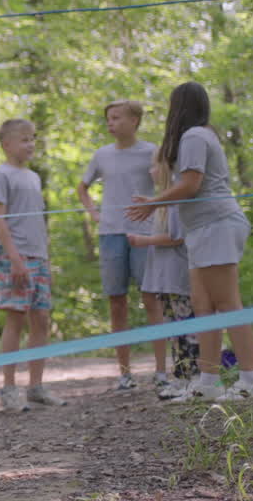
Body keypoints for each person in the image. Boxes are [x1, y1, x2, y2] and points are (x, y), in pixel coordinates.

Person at [127, 81, 253, 401]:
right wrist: (155, 200)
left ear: (179, 106)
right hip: (200, 230)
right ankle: (208, 383)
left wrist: (153, 203)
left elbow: (192, 184)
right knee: (204, 307)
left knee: (228, 305)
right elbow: (186, 187)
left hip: (218, 224)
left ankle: (250, 380)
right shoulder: (194, 137)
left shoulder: (195, 136)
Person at [76, 100, 158, 390]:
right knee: (116, 301)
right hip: (110, 234)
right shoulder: (102, 155)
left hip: (145, 234)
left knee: (151, 298)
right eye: (108, 119)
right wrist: (94, 214)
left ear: (134, 120)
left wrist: (157, 210)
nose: (110, 123)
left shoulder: (152, 152)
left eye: (116, 118)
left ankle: (162, 371)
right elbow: (82, 188)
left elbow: (165, 186)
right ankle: (125, 374)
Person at [0, 119, 66, 411]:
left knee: (41, 320)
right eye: (24, 139)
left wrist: (45, 259)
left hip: (39, 258)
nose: (30, 144)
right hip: (15, 257)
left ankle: (36, 387)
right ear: (6, 144)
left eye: (32, 138)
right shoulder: (1, 174)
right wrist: (15, 258)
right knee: (15, 319)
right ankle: (9, 389)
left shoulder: (34, 177)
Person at [127, 157, 198, 400]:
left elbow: (177, 237)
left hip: (179, 277)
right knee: (174, 329)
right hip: (164, 279)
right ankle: (181, 378)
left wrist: (143, 241)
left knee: (186, 327)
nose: (150, 171)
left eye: (155, 165)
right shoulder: (162, 203)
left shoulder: (175, 202)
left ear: (168, 168)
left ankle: (194, 379)